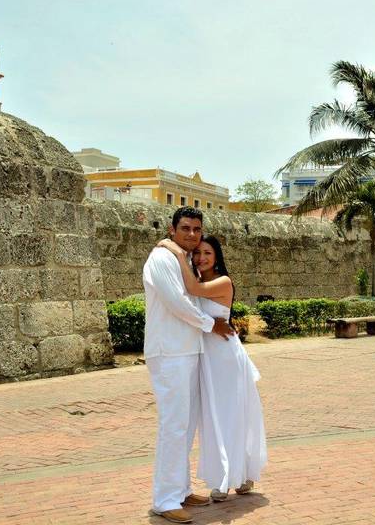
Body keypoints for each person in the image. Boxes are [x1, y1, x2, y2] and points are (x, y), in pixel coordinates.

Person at [158, 234, 268, 502]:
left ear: (217, 256)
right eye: (197, 253)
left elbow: (194, 290)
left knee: (232, 414)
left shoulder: (222, 282)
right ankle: (231, 474)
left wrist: (174, 249)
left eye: (207, 252)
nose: (201, 258)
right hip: (204, 358)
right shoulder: (196, 281)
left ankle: (234, 476)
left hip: (226, 358)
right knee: (211, 418)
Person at [144, 207, 234, 524]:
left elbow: (193, 298)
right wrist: (212, 325)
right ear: (172, 230)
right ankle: (164, 499)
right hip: (169, 352)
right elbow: (177, 303)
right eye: (186, 229)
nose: (192, 235)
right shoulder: (163, 259)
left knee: (186, 424)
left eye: (197, 229)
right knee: (174, 425)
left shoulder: (184, 261)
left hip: (188, 350)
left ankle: (180, 490)